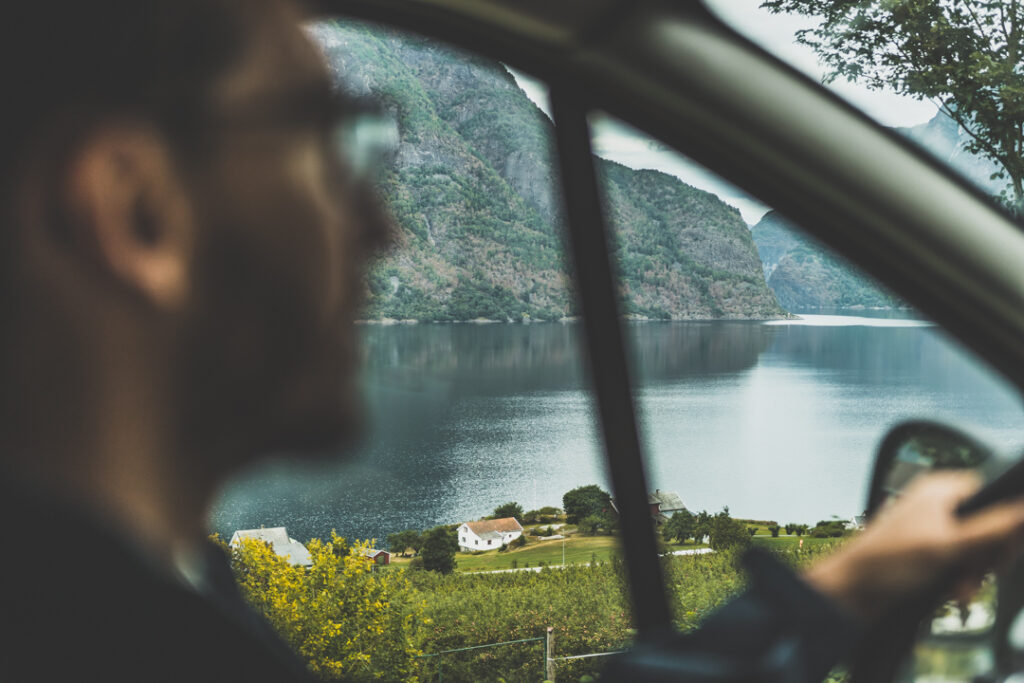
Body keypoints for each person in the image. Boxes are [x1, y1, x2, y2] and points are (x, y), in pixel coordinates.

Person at [0, 1, 1023, 681]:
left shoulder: (146, 594)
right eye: (330, 144)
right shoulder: (106, 634)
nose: (379, 227)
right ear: (136, 211)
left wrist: (839, 586)